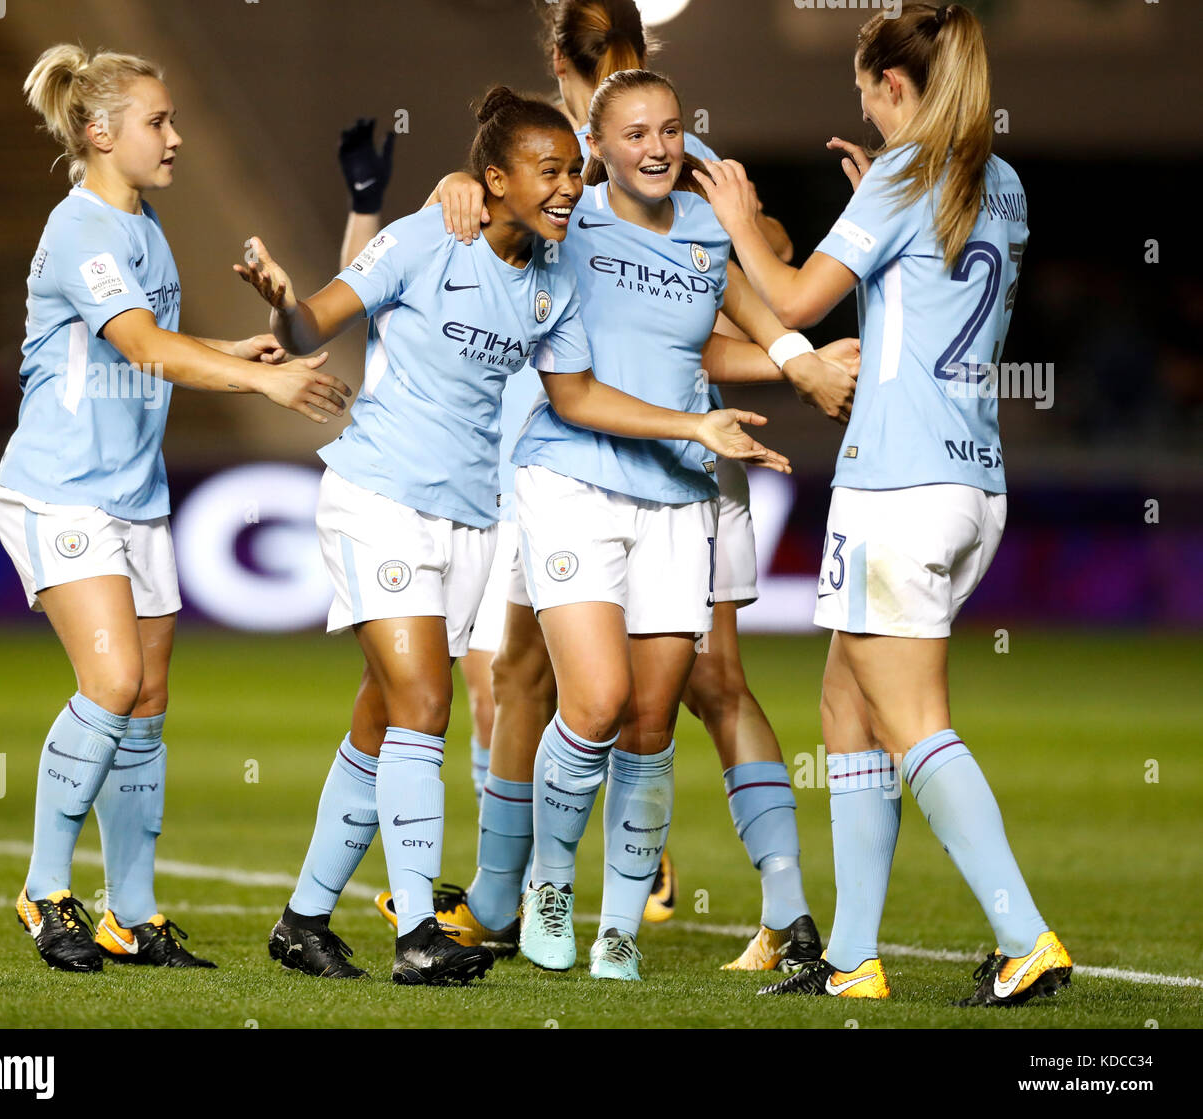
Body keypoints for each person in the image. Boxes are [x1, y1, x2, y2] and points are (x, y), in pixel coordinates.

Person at [238, 86, 788, 985]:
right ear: (493, 179)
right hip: (377, 494)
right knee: (426, 705)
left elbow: (577, 398)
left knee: (382, 714)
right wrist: (279, 308)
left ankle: (303, 918)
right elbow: (316, 322)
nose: (571, 186)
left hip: (474, 513)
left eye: (575, 171)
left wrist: (697, 428)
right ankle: (420, 929)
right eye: (552, 172)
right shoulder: (429, 235)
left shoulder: (555, 275)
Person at [384, 0, 855, 974]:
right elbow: (467, 227)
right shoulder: (556, 182)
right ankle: (524, 894)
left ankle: (632, 907)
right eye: (621, 115)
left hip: (685, 466)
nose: (649, 139)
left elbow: (748, 274)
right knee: (567, 685)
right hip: (581, 454)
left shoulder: (682, 175)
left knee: (661, 692)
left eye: (661, 125)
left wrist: (786, 345)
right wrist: (459, 191)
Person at [697, 2, 1073, 1005]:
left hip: (896, 487)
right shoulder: (1000, 180)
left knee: (910, 719)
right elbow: (923, 300)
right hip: (968, 484)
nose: (859, 107)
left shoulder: (908, 177)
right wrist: (877, 205)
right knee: (844, 706)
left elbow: (791, 302)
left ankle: (1023, 933)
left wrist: (739, 221)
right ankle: (853, 958)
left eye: (864, 91)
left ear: (894, 88)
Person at [0, 45, 349, 972]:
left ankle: (133, 913)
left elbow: (142, 341)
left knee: (146, 704)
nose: (177, 137)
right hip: (60, 487)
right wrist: (254, 385)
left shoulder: (142, 224)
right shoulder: (81, 228)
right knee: (111, 684)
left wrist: (228, 347)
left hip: (134, 494)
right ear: (98, 131)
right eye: (159, 121)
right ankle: (42, 890)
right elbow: (142, 345)